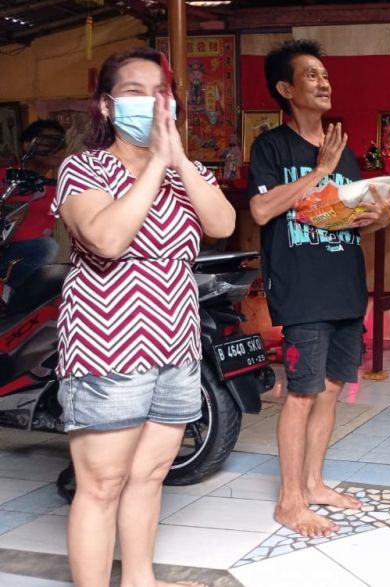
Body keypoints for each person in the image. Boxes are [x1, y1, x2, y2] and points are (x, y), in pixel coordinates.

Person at [52, 47, 236, 587]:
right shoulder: (84, 168)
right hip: (107, 348)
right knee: (102, 483)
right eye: (136, 91)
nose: (152, 103)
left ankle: (140, 580)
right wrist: (155, 165)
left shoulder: (188, 169)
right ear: (107, 106)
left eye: (161, 92)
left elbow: (223, 222)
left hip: (175, 345)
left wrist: (176, 158)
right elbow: (107, 239)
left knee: (150, 475)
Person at [248, 39, 390, 538]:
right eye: (310, 75)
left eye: (324, 74)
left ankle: (313, 483)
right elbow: (263, 210)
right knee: (302, 393)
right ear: (286, 89)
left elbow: (347, 221)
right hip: (303, 287)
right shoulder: (271, 146)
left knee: (332, 390)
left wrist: (380, 216)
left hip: (345, 285)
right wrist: (320, 172)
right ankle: (289, 501)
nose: (323, 81)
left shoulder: (343, 148)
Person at [0, 119, 66, 293]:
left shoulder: (59, 187)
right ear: (28, 145)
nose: (57, 150)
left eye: (61, 144)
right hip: (6, 253)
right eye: (48, 142)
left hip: (27, 263)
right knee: (46, 247)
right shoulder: (5, 176)